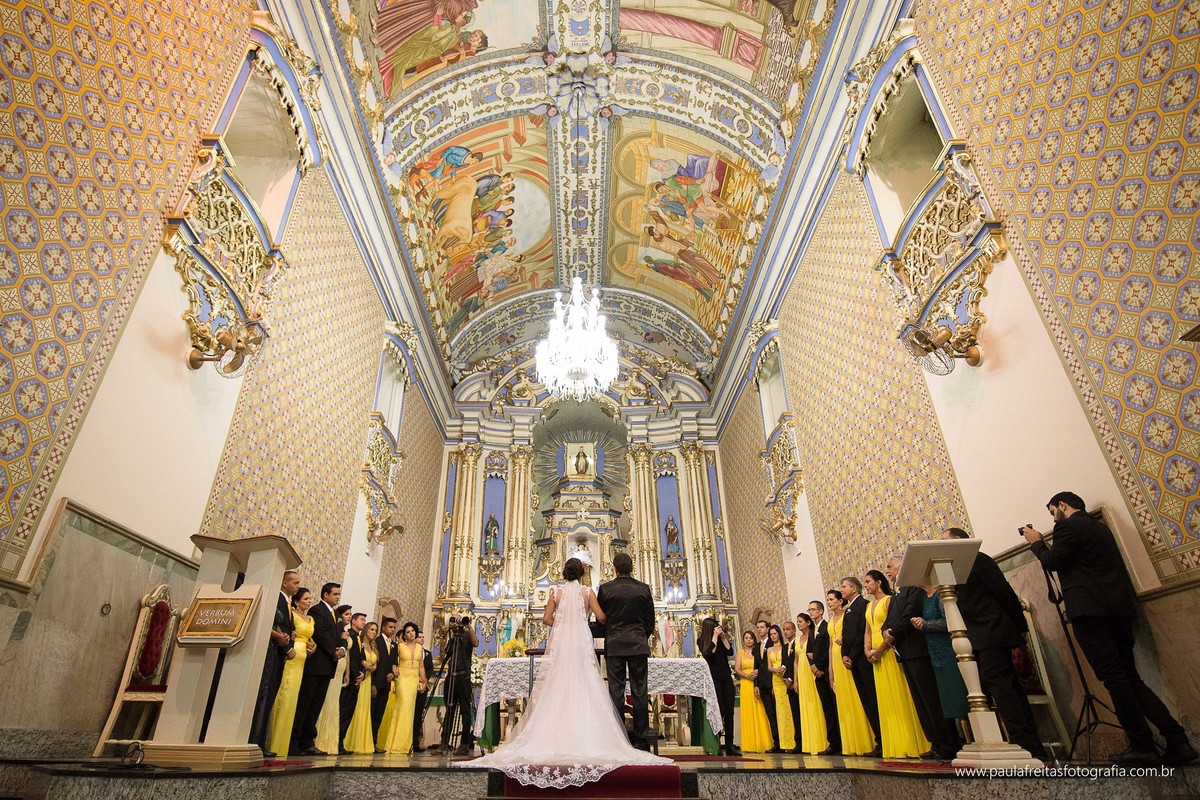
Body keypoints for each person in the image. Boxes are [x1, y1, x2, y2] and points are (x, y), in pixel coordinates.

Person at [456, 558, 670, 787]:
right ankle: (621, 737)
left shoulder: (557, 593)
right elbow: (604, 618)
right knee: (594, 686)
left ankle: (555, 737)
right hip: (591, 643)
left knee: (562, 688)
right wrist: (581, 622)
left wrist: (565, 623)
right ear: (582, 573)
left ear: (564, 572)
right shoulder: (589, 592)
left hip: (570, 646)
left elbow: (547, 619)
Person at [1025, 493, 1197, 766]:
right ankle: (1176, 739)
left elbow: (1054, 561)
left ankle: (1142, 745)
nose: (1052, 517)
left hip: (1091, 613)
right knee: (1129, 678)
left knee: (1115, 680)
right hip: (1118, 610)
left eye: (1052, 511)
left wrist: (1038, 545)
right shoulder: (1098, 528)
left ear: (1063, 505)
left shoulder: (1068, 526)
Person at [943, 528, 1047, 760]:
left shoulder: (979, 560)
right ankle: (1024, 744)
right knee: (1001, 691)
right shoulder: (952, 570)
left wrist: (1020, 626)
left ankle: (1028, 747)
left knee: (1006, 691)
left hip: (993, 632)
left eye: (946, 541)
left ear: (960, 541)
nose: (943, 546)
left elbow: (1003, 593)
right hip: (976, 638)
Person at [883, 556, 961, 760]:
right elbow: (889, 618)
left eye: (890, 567)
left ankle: (948, 742)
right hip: (905, 653)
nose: (887, 570)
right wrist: (885, 630)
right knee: (920, 701)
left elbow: (910, 614)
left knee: (932, 699)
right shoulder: (896, 594)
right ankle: (935, 741)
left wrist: (893, 632)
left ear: (902, 568)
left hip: (919, 651)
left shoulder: (914, 590)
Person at [863, 569, 930, 758]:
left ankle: (909, 741)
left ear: (878, 582)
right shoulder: (869, 606)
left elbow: (892, 624)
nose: (866, 585)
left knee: (898, 693)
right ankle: (893, 742)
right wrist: (867, 649)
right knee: (885, 698)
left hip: (888, 649)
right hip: (874, 652)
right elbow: (867, 630)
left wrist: (881, 648)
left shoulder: (889, 600)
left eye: (868, 581)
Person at [597, 553, 656, 750]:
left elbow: (600, 621)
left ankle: (618, 736)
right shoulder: (643, 589)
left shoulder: (605, 589)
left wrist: (612, 634)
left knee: (616, 690)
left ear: (615, 568)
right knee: (640, 690)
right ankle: (640, 738)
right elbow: (650, 622)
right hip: (638, 644)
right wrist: (640, 636)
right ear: (632, 567)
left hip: (614, 644)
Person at [293, 582, 345, 756]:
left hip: (329, 665)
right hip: (317, 664)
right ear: (325, 595)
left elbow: (342, 635)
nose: (338, 597)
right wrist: (333, 651)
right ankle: (296, 741)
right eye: (335, 594)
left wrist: (342, 649)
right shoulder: (317, 611)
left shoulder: (337, 614)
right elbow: (320, 634)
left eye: (339, 594)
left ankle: (308, 741)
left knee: (316, 705)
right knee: (306, 703)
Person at [251, 570, 299, 756]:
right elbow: (270, 623)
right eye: (295, 583)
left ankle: (260, 742)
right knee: (265, 696)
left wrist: (288, 643)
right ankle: (256, 743)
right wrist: (285, 645)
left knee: (269, 698)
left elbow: (289, 628)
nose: (298, 586)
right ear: (284, 583)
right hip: (271, 652)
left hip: (279, 653)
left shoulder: (287, 602)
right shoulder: (276, 598)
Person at [266, 587, 315, 757]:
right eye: (306, 598)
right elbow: (288, 630)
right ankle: (273, 740)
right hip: (290, 656)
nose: (309, 601)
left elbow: (307, 637)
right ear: (297, 601)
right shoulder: (291, 613)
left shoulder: (310, 619)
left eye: (310, 598)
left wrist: (311, 646)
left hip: (302, 660)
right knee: (283, 695)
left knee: (294, 700)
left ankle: (286, 742)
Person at [911, 583, 970, 722]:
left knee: (959, 695)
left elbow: (949, 621)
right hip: (936, 654)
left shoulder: (939, 594)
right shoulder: (926, 598)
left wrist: (925, 624)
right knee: (950, 702)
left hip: (949, 650)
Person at [828, 588, 875, 756]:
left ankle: (865, 740)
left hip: (850, 657)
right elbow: (830, 646)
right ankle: (851, 742)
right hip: (837, 660)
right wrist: (830, 669)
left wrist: (849, 651)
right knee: (843, 703)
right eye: (828, 600)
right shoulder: (831, 620)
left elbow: (857, 632)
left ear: (841, 601)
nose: (829, 602)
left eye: (832, 599)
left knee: (857, 697)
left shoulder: (849, 613)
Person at [839, 577, 882, 755]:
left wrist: (852, 654)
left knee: (872, 699)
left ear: (853, 589)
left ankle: (882, 739)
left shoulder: (863, 604)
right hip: (852, 660)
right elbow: (845, 634)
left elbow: (861, 633)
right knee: (866, 700)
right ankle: (878, 740)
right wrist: (844, 655)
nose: (841, 590)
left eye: (844, 587)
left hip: (862, 660)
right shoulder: (848, 608)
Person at [381, 622, 426, 753]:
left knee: (410, 710)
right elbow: (393, 662)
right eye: (408, 632)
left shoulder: (419, 648)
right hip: (402, 679)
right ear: (404, 636)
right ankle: (396, 744)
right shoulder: (399, 647)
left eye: (412, 631)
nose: (411, 633)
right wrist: (394, 669)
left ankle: (406, 744)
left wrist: (423, 681)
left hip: (413, 681)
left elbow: (421, 666)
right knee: (403, 707)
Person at [440, 612, 479, 755]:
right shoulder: (452, 639)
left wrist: (468, 626)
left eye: (458, 619)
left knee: (465, 710)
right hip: (451, 676)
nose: (456, 623)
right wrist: (447, 635)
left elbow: (476, 643)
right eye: (453, 619)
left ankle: (464, 744)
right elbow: (446, 655)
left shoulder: (467, 636)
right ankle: (444, 743)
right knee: (449, 710)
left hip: (463, 676)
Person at [699, 618, 739, 756]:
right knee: (718, 712)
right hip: (714, 679)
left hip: (726, 678)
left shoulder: (721, 640)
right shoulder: (702, 641)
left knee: (729, 713)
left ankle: (729, 745)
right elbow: (710, 652)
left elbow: (730, 651)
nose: (718, 628)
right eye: (715, 627)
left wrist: (723, 637)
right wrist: (715, 637)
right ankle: (716, 745)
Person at [806, 599, 841, 755]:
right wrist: (813, 667)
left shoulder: (827, 627)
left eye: (813, 610)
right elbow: (809, 652)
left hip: (827, 672)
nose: (811, 612)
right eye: (809, 610)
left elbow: (828, 649)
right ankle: (832, 742)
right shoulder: (812, 630)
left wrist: (820, 667)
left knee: (834, 707)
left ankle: (839, 741)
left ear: (821, 611)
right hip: (817, 673)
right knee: (827, 708)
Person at [315, 604, 351, 754]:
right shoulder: (337, 630)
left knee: (334, 705)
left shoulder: (345, 633)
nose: (349, 616)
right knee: (326, 702)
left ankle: (332, 741)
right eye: (347, 614)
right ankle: (321, 738)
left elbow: (347, 653)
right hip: (331, 662)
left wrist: (347, 672)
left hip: (341, 665)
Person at [792, 613, 828, 754]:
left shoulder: (814, 634)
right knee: (805, 706)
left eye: (800, 621)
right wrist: (795, 680)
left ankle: (821, 740)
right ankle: (809, 742)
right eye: (797, 621)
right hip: (801, 673)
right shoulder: (796, 640)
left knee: (816, 703)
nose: (799, 624)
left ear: (808, 622)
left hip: (812, 670)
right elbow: (795, 661)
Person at [343, 622, 379, 754]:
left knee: (365, 710)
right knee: (356, 708)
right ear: (365, 630)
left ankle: (361, 740)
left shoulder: (373, 646)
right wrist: (363, 665)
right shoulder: (359, 643)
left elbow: (376, 664)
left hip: (368, 678)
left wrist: (372, 667)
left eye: (375, 630)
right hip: (360, 678)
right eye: (371, 629)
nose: (374, 632)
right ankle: (349, 740)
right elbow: (355, 658)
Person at [734, 630, 772, 753]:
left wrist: (757, 672)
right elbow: (737, 669)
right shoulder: (740, 653)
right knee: (749, 712)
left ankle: (764, 742)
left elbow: (762, 665)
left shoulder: (758, 650)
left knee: (760, 711)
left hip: (758, 682)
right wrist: (746, 675)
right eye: (746, 638)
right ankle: (750, 744)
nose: (749, 640)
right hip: (746, 683)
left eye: (751, 638)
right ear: (743, 640)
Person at [339, 612, 367, 753]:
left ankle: (341, 741)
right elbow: (352, 658)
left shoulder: (359, 637)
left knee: (348, 711)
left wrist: (363, 672)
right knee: (343, 711)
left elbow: (361, 658)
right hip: (349, 679)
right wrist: (356, 674)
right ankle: (338, 741)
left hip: (357, 678)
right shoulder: (349, 636)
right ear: (354, 621)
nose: (364, 622)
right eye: (361, 620)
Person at [765, 624, 796, 752]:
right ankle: (784, 743)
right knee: (780, 711)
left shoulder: (785, 647)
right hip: (776, 679)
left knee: (789, 709)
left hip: (785, 677)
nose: (773, 636)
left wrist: (783, 669)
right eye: (771, 634)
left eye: (775, 634)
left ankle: (793, 741)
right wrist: (775, 670)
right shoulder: (769, 650)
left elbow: (788, 662)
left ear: (779, 634)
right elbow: (769, 666)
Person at [752, 619, 780, 751]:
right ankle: (777, 742)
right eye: (758, 627)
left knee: (778, 712)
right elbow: (756, 667)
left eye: (762, 627)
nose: (759, 629)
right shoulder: (757, 647)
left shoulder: (774, 643)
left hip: (773, 682)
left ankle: (784, 741)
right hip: (762, 684)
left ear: (768, 629)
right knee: (770, 714)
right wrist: (756, 685)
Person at [372, 617, 399, 750]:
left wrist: (392, 674)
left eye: (394, 627)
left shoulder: (394, 645)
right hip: (376, 682)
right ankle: (369, 742)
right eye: (390, 627)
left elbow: (394, 663)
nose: (392, 630)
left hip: (386, 684)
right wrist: (373, 684)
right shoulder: (376, 642)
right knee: (372, 712)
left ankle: (374, 743)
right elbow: (375, 662)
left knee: (379, 714)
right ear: (383, 627)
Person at [780, 619, 803, 753]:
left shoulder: (798, 643)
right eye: (784, 629)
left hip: (797, 682)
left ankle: (803, 741)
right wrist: (785, 678)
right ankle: (798, 742)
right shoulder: (785, 647)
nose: (785, 632)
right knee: (795, 714)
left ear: (794, 630)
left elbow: (797, 663)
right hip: (788, 684)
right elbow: (785, 664)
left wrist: (792, 679)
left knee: (801, 713)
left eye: (788, 629)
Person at [412, 631, 435, 751]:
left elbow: (429, 668)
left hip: (423, 686)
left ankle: (416, 742)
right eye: (419, 637)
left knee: (418, 715)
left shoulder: (427, 653)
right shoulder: (411, 651)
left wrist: (424, 681)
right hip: (412, 684)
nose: (421, 639)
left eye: (423, 637)